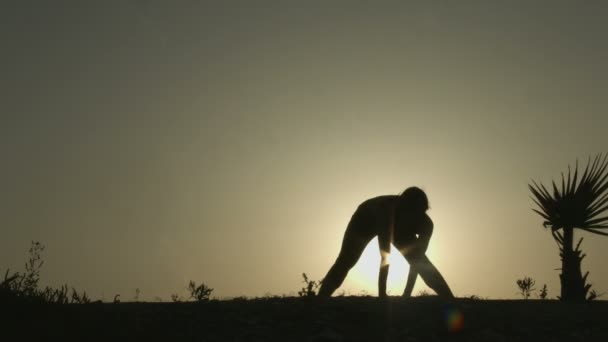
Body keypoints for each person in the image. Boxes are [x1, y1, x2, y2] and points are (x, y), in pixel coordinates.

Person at [318, 187, 454, 298]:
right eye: (409, 211)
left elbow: (418, 262)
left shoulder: (426, 225)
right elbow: (385, 256)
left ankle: (451, 300)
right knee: (346, 261)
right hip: (365, 219)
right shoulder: (387, 211)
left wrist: (407, 294)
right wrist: (382, 296)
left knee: (425, 266)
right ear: (403, 207)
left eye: (417, 213)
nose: (413, 216)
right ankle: (320, 299)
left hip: (397, 226)